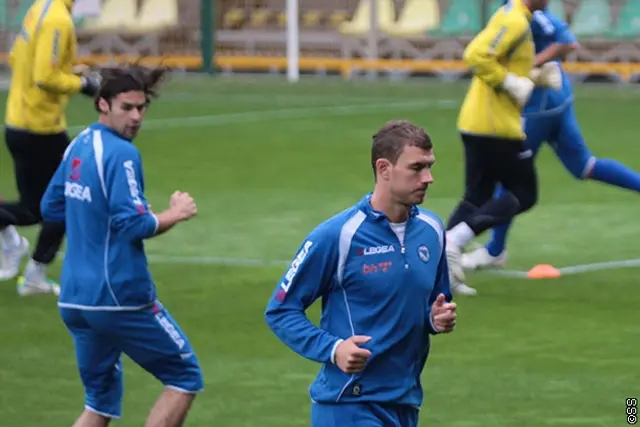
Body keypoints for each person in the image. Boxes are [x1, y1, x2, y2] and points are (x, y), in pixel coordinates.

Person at [40, 64, 203, 427]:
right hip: (118, 296)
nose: (136, 117)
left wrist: (91, 216)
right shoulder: (122, 154)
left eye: (141, 108)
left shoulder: (79, 144)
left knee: (99, 402)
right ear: (103, 104)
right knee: (184, 376)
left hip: (74, 298)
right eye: (126, 108)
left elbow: (50, 206)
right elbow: (135, 224)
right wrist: (175, 213)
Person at [264, 120, 457, 427]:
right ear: (384, 169)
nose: (428, 178)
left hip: (405, 401)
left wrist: (435, 319)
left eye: (430, 166)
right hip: (349, 403)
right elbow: (281, 311)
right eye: (417, 168)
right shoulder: (338, 236)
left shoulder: (432, 230)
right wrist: (333, 348)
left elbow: (434, 301)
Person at [463, 8, 640, 271]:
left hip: (539, 106)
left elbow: (567, 42)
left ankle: (494, 250)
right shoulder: (516, 10)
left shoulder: (527, 13)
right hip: (557, 100)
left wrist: (530, 65)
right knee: (584, 165)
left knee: (510, 177)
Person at [444, 0, 560, 296]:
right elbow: (476, 54)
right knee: (524, 192)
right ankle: (455, 240)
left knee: (478, 196)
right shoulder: (516, 21)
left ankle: (438, 268)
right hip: (495, 126)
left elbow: (500, 61)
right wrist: (510, 82)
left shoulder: (516, 17)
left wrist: (534, 77)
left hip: (479, 122)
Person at [0, 0, 101, 296]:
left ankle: (13, 247)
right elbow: (45, 77)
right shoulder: (59, 20)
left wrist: (71, 72)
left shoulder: (40, 8)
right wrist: (84, 84)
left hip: (19, 122)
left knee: (41, 205)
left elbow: (21, 58)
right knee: (61, 204)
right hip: (40, 128)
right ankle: (32, 274)